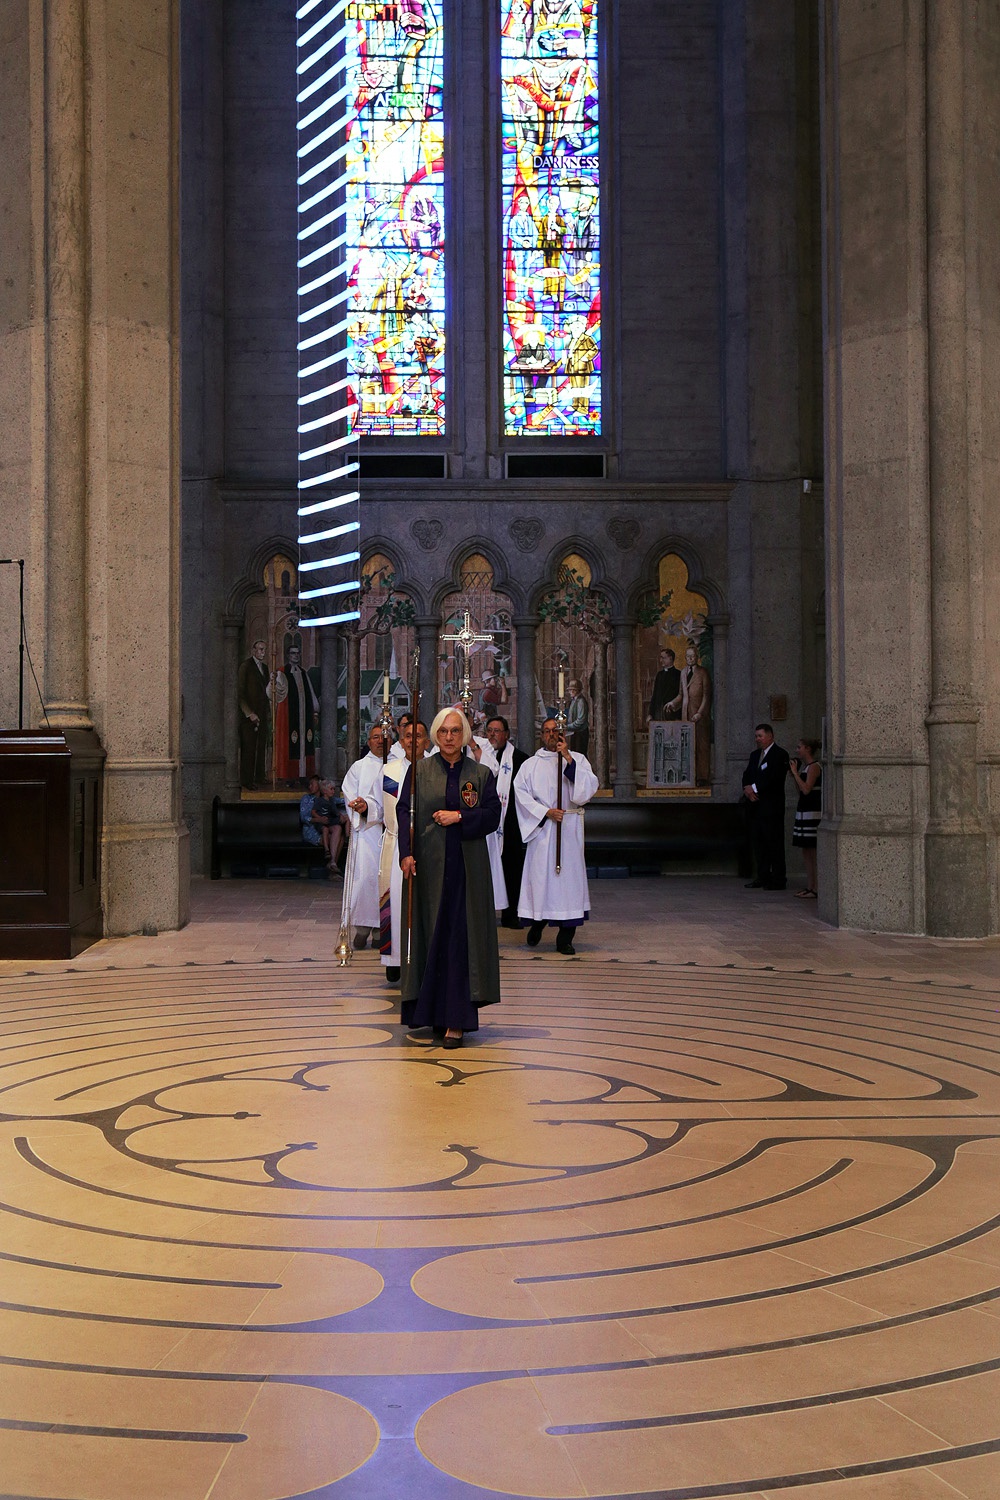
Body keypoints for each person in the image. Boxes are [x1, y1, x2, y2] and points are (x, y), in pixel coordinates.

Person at [397, 708, 502, 1048]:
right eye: (443, 731)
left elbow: (491, 816)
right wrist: (406, 852)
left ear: (465, 734)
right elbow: (404, 811)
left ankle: (455, 1021)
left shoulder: (481, 773)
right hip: (428, 868)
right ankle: (428, 1014)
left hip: (466, 873)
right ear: (435, 736)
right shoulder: (420, 771)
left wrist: (459, 816)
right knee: (431, 938)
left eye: (455, 731)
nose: (449, 737)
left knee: (460, 943)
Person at [514, 716, 599, 955]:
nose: (552, 735)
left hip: (569, 831)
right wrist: (545, 812)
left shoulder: (578, 760)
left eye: (556, 731)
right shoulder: (531, 765)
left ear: (563, 735)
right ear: (542, 736)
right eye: (547, 731)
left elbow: (587, 790)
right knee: (542, 881)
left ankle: (565, 938)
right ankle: (538, 923)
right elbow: (520, 794)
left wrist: (568, 760)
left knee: (568, 885)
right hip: (543, 832)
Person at [379, 718, 430, 984]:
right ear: (401, 740)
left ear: (427, 741)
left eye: (419, 735)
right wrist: (365, 808)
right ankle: (395, 959)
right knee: (396, 901)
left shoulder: (435, 769)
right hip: (396, 844)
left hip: (428, 845)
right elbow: (381, 807)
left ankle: (422, 960)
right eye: (408, 736)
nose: (413, 740)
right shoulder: (390, 771)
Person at [341, 725, 387, 948]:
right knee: (364, 881)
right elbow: (349, 792)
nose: (379, 741)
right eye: (375, 737)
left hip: (390, 834)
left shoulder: (396, 765)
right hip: (366, 835)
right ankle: (362, 929)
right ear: (368, 742)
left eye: (383, 737)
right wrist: (360, 807)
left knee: (384, 883)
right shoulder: (359, 767)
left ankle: (381, 930)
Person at [485, 714, 529, 929]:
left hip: (510, 823)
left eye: (497, 731)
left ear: (507, 735)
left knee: (511, 869)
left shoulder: (520, 759)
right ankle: (483, 913)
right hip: (484, 823)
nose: (493, 734)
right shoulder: (479, 757)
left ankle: (511, 914)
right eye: (489, 731)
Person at [741, 723, 790, 890]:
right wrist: (747, 789)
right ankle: (762, 876)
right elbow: (747, 774)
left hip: (772, 808)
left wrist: (753, 788)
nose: (757, 739)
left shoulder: (780, 754)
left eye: (760, 736)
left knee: (774, 843)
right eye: (756, 736)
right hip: (755, 808)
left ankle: (778, 879)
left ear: (770, 736)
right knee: (759, 844)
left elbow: (774, 778)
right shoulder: (755, 755)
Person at [274, 644, 320, 781]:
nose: (296, 655)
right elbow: (277, 694)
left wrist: (315, 711)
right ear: (288, 655)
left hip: (304, 717)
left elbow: (310, 693)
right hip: (290, 716)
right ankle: (289, 776)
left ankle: (303, 774)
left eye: (298, 653)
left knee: (305, 742)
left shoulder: (303, 672)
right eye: (293, 653)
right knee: (291, 742)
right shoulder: (282, 672)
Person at [790, 738, 822, 899]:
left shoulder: (815, 767)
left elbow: (807, 789)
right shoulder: (806, 768)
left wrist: (795, 773)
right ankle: (810, 886)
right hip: (803, 810)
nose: (797, 750)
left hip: (812, 812)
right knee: (806, 850)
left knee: (813, 850)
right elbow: (800, 790)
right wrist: (795, 774)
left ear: (808, 749)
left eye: (799, 747)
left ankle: (815, 887)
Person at [237, 639, 270, 789]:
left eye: (264, 650)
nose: (262, 652)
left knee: (261, 746)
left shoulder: (265, 668)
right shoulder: (246, 666)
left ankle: (260, 776)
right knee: (249, 748)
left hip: (262, 713)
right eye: (260, 649)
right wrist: (249, 713)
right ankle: (247, 780)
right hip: (249, 716)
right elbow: (240, 693)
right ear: (253, 650)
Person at [680, 645, 713, 785]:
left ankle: (702, 777)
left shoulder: (703, 672)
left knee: (702, 746)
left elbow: (707, 695)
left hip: (700, 717)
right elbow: (681, 695)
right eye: (688, 656)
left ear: (697, 657)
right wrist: (672, 704)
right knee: (687, 746)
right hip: (686, 716)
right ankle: (689, 776)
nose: (690, 658)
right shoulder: (682, 673)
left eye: (692, 656)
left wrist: (700, 713)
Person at [316, 777, 349, 873]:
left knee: (339, 828)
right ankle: (332, 861)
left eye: (334, 789)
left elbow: (337, 808)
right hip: (324, 823)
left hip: (331, 822)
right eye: (331, 789)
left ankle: (333, 861)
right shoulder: (320, 801)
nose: (333, 791)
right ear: (325, 791)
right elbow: (314, 813)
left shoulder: (332, 800)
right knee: (340, 824)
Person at [647, 647, 681, 722]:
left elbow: (681, 695)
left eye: (663, 658)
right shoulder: (659, 675)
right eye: (660, 658)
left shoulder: (679, 674)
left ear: (670, 658)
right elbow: (655, 695)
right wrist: (650, 714)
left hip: (673, 713)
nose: (660, 660)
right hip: (658, 713)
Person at [566, 679, 590, 756]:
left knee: (579, 755)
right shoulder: (574, 701)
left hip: (580, 734)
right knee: (574, 754)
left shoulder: (581, 702)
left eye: (572, 690)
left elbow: (580, 721)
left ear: (576, 691)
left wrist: (567, 727)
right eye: (570, 690)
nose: (570, 692)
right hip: (575, 732)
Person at [299, 776, 324, 847]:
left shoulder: (325, 798)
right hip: (311, 830)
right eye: (309, 785)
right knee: (330, 840)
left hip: (324, 829)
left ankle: (333, 858)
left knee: (338, 837)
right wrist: (318, 820)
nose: (310, 787)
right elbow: (303, 818)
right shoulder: (306, 798)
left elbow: (340, 801)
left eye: (312, 784)